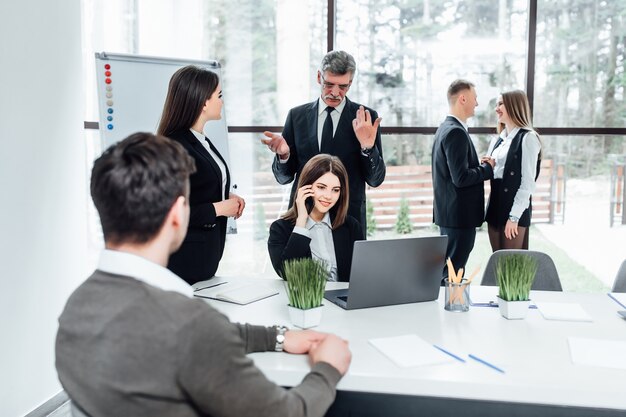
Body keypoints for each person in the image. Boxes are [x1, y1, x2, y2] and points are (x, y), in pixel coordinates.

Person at [55, 132, 351, 417]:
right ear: (177, 214)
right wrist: (327, 369)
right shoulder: (189, 323)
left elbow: (191, 334)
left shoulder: (76, 306)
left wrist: (279, 337)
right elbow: (289, 412)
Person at [261, 50, 385, 237]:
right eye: (329, 84)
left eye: (343, 86)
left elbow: (375, 180)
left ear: (350, 83)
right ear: (319, 77)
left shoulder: (366, 118)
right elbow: (283, 178)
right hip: (303, 217)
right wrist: (284, 156)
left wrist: (367, 147)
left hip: (347, 221)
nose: (335, 93)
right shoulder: (297, 116)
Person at [157, 65, 244, 285]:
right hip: (184, 262)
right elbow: (168, 213)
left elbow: (200, 188)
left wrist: (227, 196)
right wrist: (220, 208)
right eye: (219, 95)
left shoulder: (200, 139)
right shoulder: (174, 146)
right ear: (204, 102)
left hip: (205, 258)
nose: (222, 101)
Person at [431, 79, 495, 279]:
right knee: (452, 274)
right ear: (463, 99)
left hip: (452, 215)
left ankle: (447, 307)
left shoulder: (445, 128)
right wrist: (487, 168)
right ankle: (449, 309)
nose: (477, 103)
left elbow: (455, 173)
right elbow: (460, 178)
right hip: (458, 217)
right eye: (475, 98)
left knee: (449, 270)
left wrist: (478, 166)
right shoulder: (456, 132)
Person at [268, 154, 363, 281]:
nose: (328, 196)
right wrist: (301, 221)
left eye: (335, 190)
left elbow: (362, 272)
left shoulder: (351, 226)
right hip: (306, 301)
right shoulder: (280, 229)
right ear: (306, 187)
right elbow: (286, 273)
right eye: (321, 187)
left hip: (343, 298)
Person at [485, 90, 542, 250]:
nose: (496, 108)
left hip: (513, 211)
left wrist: (514, 217)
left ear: (514, 106)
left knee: (511, 268)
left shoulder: (528, 138)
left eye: (501, 104)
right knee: (497, 265)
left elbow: (527, 183)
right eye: (496, 104)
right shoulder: (498, 140)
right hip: (494, 209)